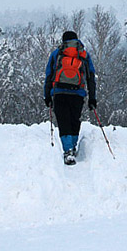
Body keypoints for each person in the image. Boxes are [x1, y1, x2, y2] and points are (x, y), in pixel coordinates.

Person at [44, 30, 97, 165]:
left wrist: (47, 95)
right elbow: (91, 77)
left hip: (59, 92)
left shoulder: (57, 53)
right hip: (77, 93)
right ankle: (72, 146)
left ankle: (68, 150)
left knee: (63, 121)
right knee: (74, 119)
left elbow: (49, 75)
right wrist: (92, 97)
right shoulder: (83, 54)